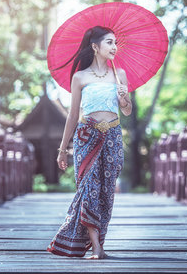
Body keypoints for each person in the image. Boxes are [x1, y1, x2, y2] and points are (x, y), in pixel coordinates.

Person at [47, 26, 132, 260]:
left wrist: (124, 97)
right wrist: (63, 150)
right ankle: (96, 246)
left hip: (113, 136)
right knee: (88, 189)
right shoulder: (80, 77)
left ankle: (100, 240)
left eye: (115, 42)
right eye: (109, 42)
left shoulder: (120, 74)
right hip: (86, 136)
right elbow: (73, 115)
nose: (114, 47)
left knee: (106, 191)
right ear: (95, 47)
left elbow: (127, 111)